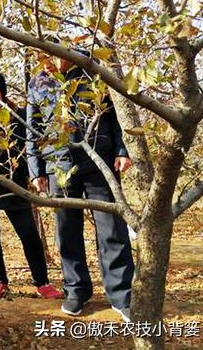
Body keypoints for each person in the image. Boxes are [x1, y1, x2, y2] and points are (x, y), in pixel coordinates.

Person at [26, 52, 134, 322]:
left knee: (112, 229)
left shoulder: (93, 73)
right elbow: (32, 129)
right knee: (67, 231)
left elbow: (114, 117)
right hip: (58, 167)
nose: (49, 62)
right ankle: (76, 290)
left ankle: (122, 294)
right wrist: (35, 169)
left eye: (52, 56)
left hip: (100, 160)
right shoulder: (37, 83)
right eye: (43, 58)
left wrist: (122, 149)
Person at [0, 73, 63, 300]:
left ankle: (42, 282)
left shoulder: (18, 117)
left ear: (3, 93)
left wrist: (35, 173)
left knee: (28, 233)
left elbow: (33, 147)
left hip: (13, 184)